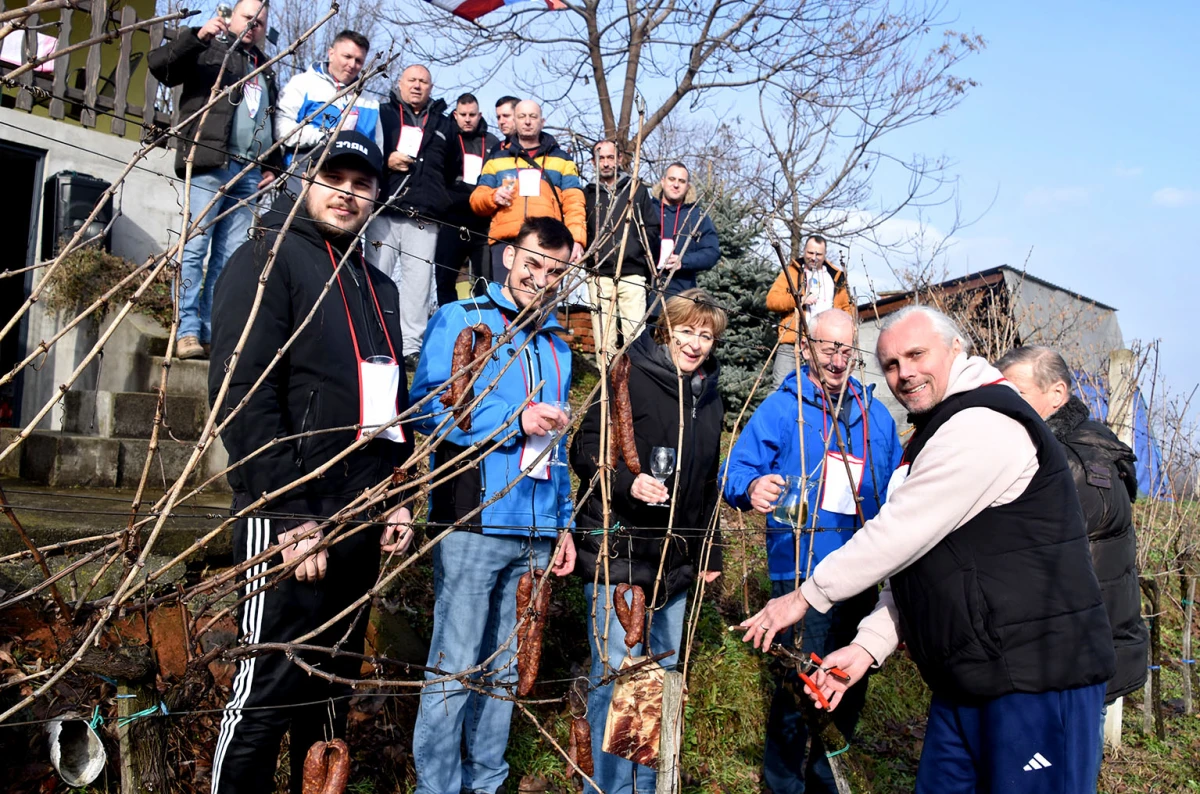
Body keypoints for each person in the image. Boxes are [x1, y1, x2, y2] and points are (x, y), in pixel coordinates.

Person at [745, 305, 1116, 794]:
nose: (904, 373)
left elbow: (899, 532)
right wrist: (865, 647)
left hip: (1037, 677)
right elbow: (921, 564)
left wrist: (804, 596)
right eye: (892, 364)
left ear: (956, 349)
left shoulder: (985, 422)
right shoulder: (937, 432)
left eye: (916, 354)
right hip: (970, 674)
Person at [207, 130, 416, 794]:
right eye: (335, 178)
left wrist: (397, 492)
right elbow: (242, 394)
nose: (348, 193)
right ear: (306, 179)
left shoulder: (378, 284)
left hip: (358, 513)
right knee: (267, 686)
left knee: (330, 688)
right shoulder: (266, 258)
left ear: (376, 194)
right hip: (290, 511)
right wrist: (291, 514)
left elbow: (389, 401)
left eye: (362, 184)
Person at [409, 217, 579, 794]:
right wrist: (513, 422)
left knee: (505, 669)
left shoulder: (559, 344)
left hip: (534, 529)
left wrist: (564, 524)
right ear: (508, 256)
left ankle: (488, 782)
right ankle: (438, 786)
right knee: (455, 665)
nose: (541, 277)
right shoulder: (462, 320)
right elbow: (430, 407)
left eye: (556, 271)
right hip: (472, 520)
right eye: (533, 263)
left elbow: (555, 446)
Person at [722, 308, 901, 794]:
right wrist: (752, 486)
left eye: (847, 350)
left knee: (846, 678)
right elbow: (734, 473)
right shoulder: (784, 409)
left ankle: (828, 777)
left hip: (861, 569)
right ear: (805, 348)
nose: (839, 360)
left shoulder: (875, 415)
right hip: (799, 571)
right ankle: (782, 783)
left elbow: (895, 492)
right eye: (828, 348)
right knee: (796, 686)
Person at [569, 288, 725, 794]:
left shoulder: (709, 394)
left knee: (655, 681)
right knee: (617, 676)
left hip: (675, 559)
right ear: (665, 329)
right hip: (621, 549)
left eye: (706, 335)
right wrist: (625, 482)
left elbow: (708, 482)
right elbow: (585, 447)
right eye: (687, 331)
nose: (696, 343)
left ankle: (636, 785)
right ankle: (605, 786)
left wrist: (710, 550)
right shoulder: (627, 374)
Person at [995, 345, 1148, 755]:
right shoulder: (1077, 444)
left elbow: (1023, 551)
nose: (1002, 403)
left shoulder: (1073, 463)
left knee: (1058, 773)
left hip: (1071, 663)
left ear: (1057, 393)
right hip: (1073, 654)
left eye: (1016, 392)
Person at [147, 0, 278, 360]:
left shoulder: (263, 68)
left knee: (228, 258)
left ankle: (208, 330)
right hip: (209, 163)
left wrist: (273, 165)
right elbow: (162, 67)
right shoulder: (208, 50)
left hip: (249, 172)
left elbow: (268, 120)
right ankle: (185, 329)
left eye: (260, 22)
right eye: (247, 18)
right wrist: (197, 36)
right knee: (194, 248)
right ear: (231, 17)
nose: (253, 25)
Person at [367, 64, 452, 364]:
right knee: (376, 276)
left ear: (431, 87)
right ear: (400, 83)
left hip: (424, 217)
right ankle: (371, 337)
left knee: (419, 285)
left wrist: (441, 201)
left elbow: (452, 170)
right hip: (385, 211)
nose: (417, 85)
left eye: (424, 81)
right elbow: (367, 153)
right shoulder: (382, 114)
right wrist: (384, 161)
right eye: (412, 80)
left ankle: (410, 348)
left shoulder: (444, 123)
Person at [470, 100, 586, 285]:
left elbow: (575, 202)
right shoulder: (496, 159)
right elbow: (476, 199)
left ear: (542, 121)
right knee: (505, 304)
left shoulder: (562, 159)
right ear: (514, 121)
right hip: (506, 242)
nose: (527, 121)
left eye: (533, 116)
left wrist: (577, 240)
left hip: (548, 241)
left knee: (543, 305)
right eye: (522, 116)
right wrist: (493, 197)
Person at [583, 140, 661, 358]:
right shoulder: (588, 193)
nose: (606, 163)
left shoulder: (636, 189)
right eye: (601, 158)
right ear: (593, 162)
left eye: (610, 157)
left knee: (635, 336)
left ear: (618, 159)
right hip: (599, 274)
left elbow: (652, 227)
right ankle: (607, 387)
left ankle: (636, 388)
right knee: (603, 340)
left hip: (633, 273)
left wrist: (637, 254)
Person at [275, 30, 383, 183]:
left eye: (359, 61)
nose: (352, 65)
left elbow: (377, 152)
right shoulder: (303, 83)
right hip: (303, 169)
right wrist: (325, 136)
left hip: (351, 178)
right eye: (347, 57)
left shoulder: (370, 103)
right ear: (331, 53)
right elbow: (283, 130)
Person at [433, 92, 498, 303]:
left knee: (485, 282)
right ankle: (450, 329)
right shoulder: (446, 138)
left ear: (479, 115)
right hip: (451, 220)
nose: (468, 119)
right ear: (455, 114)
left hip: (482, 222)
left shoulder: (492, 142)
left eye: (472, 114)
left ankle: (486, 328)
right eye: (463, 114)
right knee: (445, 279)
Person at [766, 235, 854, 387]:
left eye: (818, 254)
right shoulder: (792, 272)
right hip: (793, 342)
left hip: (825, 346)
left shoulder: (836, 277)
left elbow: (848, 310)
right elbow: (772, 300)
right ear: (804, 251)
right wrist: (799, 300)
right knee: (781, 386)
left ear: (825, 254)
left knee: (823, 387)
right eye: (810, 253)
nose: (814, 258)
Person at [648, 162, 719, 312]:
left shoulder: (697, 216)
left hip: (680, 299)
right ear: (663, 181)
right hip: (645, 294)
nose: (676, 185)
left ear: (688, 186)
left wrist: (683, 261)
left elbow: (712, 252)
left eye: (681, 181)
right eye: (672, 179)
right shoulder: (647, 209)